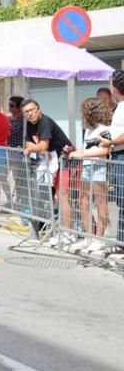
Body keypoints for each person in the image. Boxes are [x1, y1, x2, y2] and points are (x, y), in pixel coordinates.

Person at [21, 98, 74, 246]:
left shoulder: (45, 122)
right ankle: (54, 228)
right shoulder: (29, 125)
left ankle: (70, 231)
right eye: (26, 112)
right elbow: (27, 142)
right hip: (48, 163)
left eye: (32, 110)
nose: (30, 114)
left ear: (39, 109)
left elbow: (43, 146)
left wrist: (33, 148)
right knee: (48, 197)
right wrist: (33, 147)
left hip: (65, 161)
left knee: (60, 198)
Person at [67, 97, 112, 256]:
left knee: (100, 203)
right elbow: (86, 148)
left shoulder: (104, 128)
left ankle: (99, 238)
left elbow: (105, 150)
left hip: (99, 167)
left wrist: (81, 153)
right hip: (87, 167)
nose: (82, 113)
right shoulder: (88, 129)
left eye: (84, 110)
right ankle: (89, 237)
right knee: (83, 201)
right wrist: (78, 154)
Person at [98, 71, 124, 258]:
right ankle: (121, 243)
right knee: (122, 201)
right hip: (117, 155)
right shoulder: (120, 107)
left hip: (121, 155)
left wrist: (110, 142)